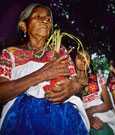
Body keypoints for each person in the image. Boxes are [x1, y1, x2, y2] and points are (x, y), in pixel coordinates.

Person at [0, 3, 89, 135]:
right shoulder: (10, 54)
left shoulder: (60, 52)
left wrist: (74, 86)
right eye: (37, 16)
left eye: (48, 19)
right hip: (21, 121)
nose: (45, 20)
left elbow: (79, 84)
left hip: (64, 122)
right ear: (23, 26)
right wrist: (42, 74)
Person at [75, 51, 115, 135]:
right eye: (79, 57)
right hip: (81, 121)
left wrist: (89, 111)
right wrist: (88, 118)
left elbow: (108, 104)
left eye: (86, 58)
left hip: (104, 119)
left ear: (89, 61)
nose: (83, 60)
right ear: (74, 59)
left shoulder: (97, 77)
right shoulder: (70, 82)